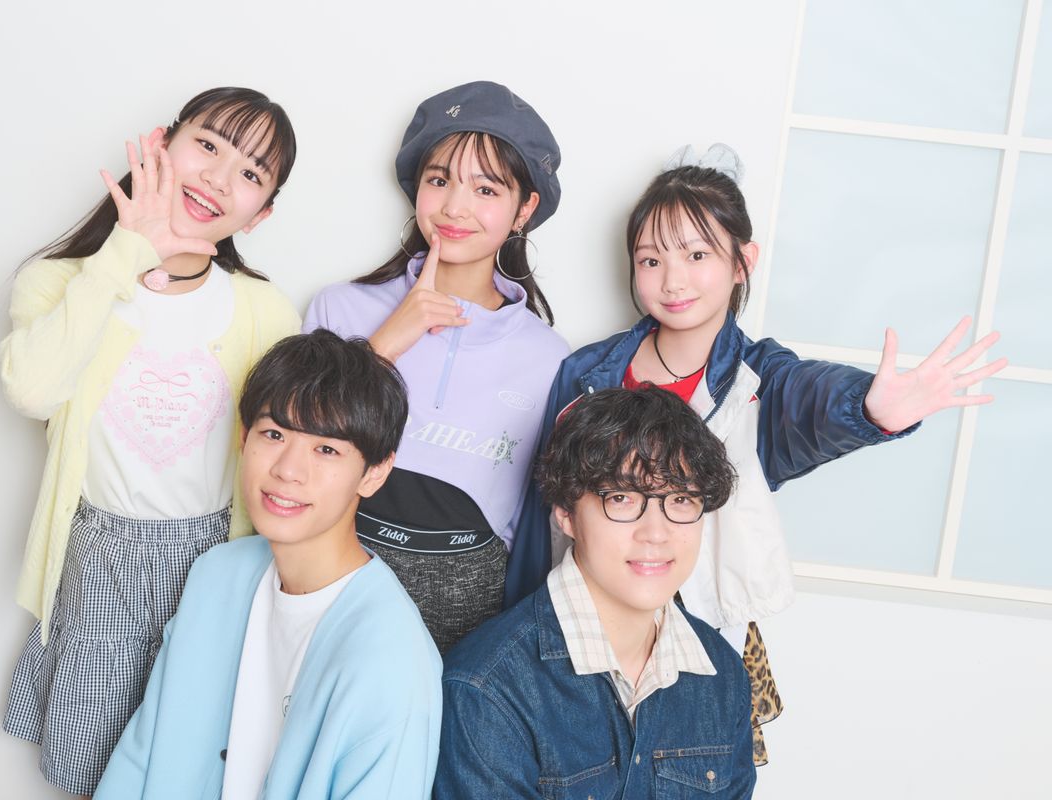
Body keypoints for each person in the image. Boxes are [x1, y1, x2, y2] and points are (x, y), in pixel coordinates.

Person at [507, 143, 1008, 764]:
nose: (673, 280)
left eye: (697, 255)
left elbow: (812, 400)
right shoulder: (589, 374)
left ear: (743, 261)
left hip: (703, 632)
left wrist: (869, 408)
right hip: (581, 626)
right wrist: (517, 624)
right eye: (651, 259)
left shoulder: (760, 380)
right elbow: (542, 507)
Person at [0, 87, 301, 795]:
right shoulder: (59, 283)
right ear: (163, 144)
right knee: (91, 766)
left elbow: (296, 445)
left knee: (197, 766)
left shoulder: (263, 309)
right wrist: (125, 253)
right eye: (208, 145)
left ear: (262, 212)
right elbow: (32, 391)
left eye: (250, 173)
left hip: (219, 562)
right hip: (99, 558)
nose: (219, 178)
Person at [94, 330, 443, 800]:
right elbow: (143, 754)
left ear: (375, 472)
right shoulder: (217, 575)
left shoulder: (394, 658)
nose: (287, 470)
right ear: (244, 437)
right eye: (274, 434)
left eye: (326, 449)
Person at [303, 81, 570, 653]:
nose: (454, 207)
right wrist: (382, 347)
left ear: (525, 209)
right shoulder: (339, 309)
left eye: (486, 188)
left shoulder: (550, 358)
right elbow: (295, 452)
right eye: (439, 180)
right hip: (331, 587)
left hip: (468, 619)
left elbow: (534, 523)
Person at [435, 387, 754, 799]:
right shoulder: (487, 687)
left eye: (679, 499)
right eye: (621, 498)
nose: (655, 533)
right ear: (565, 514)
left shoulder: (722, 671)